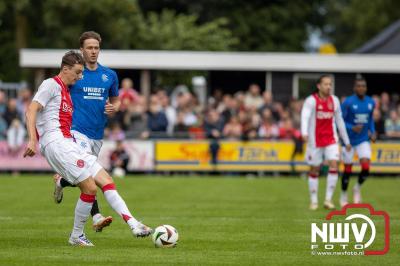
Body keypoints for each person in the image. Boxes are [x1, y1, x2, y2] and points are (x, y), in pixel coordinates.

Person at [24, 51, 151, 246]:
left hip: (68, 142)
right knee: (90, 187)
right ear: (65, 69)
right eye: (77, 72)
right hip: (55, 143)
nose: (79, 76)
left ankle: (133, 223)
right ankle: (76, 236)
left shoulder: (67, 90)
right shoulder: (51, 84)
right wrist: (32, 139)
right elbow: (31, 109)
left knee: (106, 180)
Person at [53, 31, 121, 232]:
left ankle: (62, 181)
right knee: (88, 175)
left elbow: (116, 100)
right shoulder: (75, 75)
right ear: (81, 50)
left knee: (83, 175)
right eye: (89, 48)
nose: (93, 51)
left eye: (96, 48)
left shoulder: (109, 75)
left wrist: (114, 107)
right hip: (76, 132)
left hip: (97, 134)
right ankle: (97, 216)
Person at [301, 75, 351, 211]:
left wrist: (346, 140)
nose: (328, 87)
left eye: (330, 84)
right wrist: (304, 132)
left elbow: (339, 121)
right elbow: (304, 116)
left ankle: (328, 200)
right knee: (314, 169)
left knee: (334, 164)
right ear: (319, 86)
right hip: (315, 140)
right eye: (326, 84)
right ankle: (314, 201)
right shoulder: (311, 101)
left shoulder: (334, 100)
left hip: (331, 139)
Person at [340, 77, 376, 207]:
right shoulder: (348, 102)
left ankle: (357, 188)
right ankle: (343, 195)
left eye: (363, 86)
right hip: (348, 140)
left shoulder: (371, 102)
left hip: (362, 140)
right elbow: (340, 120)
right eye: (359, 86)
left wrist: (372, 131)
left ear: (366, 88)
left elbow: (370, 119)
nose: (361, 88)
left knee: (366, 166)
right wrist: (351, 127)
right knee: (348, 169)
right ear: (355, 88)